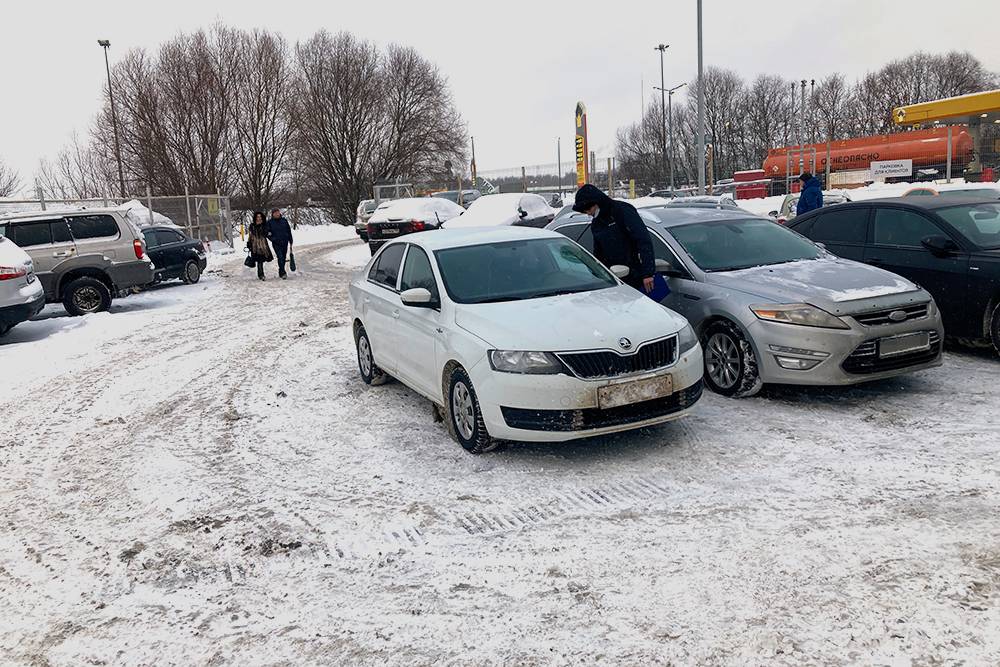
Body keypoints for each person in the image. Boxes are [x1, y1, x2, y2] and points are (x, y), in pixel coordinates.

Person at [572, 184, 655, 293]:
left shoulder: (622, 211)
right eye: (584, 211)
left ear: (597, 202)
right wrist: (598, 275)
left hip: (636, 278)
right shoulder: (596, 224)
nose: (588, 213)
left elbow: (643, 241)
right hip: (613, 281)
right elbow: (598, 254)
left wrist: (647, 273)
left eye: (588, 208)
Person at [267, 208, 294, 279]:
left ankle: (281, 270)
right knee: (280, 257)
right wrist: (273, 239)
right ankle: (283, 272)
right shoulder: (269, 222)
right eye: (275, 213)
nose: (277, 214)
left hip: (285, 242)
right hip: (276, 243)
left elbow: (288, 231)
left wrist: (290, 240)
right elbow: (268, 233)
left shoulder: (284, 221)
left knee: (284, 257)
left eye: (278, 212)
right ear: (272, 214)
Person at [247, 211, 273, 281]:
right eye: (258, 217)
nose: (259, 218)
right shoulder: (252, 226)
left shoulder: (264, 225)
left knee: (261, 260)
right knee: (258, 260)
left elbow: (266, 234)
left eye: (260, 217)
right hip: (255, 245)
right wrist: (249, 243)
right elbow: (250, 235)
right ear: (255, 217)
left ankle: (261, 274)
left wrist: (262, 226)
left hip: (262, 245)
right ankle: (261, 274)